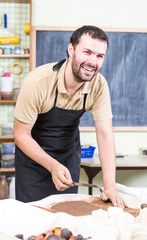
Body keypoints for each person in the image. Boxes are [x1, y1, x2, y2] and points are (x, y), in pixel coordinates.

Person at [14, 25, 126, 208]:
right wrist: (51, 165)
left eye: (100, 56)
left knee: (66, 216)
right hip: (33, 160)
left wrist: (110, 186)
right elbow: (20, 135)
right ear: (71, 49)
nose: (93, 62)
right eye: (87, 52)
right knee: (33, 219)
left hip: (67, 156)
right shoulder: (37, 82)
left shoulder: (99, 86)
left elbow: (105, 134)